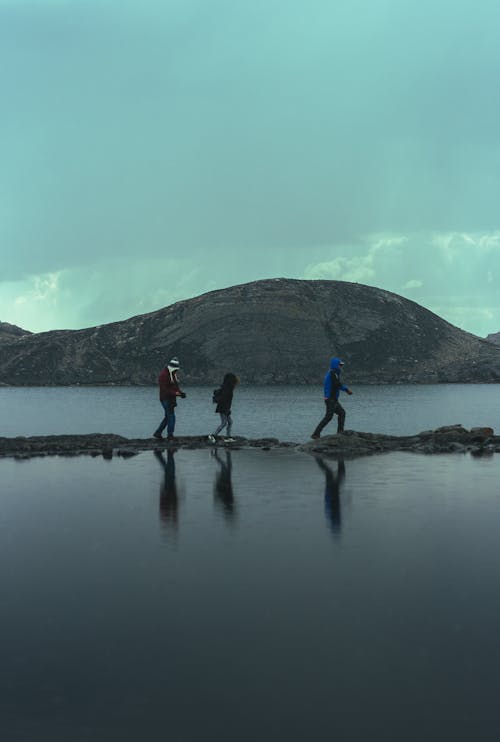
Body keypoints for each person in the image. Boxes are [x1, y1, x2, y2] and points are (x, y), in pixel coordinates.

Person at [311, 357, 352, 438]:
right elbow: (337, 384)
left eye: (341, 365)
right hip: (331, 399)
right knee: (329, 417)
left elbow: (336, 384)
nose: (341, 366)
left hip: (333, 399)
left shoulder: (333, 373)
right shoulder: (333, 373)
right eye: (340, 365)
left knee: (341, 413)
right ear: (336, 365)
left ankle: (340, 432)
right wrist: (346, 390)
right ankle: (316, 434)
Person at [153, 357, 186, 441]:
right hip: (165, 398)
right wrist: (176, 393)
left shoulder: (172, 374)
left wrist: (180, 393)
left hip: (170, 399)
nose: (176, 371)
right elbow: (164, 389)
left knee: (168, 417)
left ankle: (158, 433)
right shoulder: (164, 375)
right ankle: (170, 435)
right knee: (171, 417)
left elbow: (174, 386)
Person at [208, 372, 239, 443]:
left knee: (230, 422)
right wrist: (227, 410)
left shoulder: (227, 387)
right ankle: (213, 435)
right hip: (223, 408)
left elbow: (225, 400)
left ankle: (228, 436)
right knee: (224, 423)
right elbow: (224, 399)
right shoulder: (227, 388)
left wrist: (228, 409)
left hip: (225, 408)